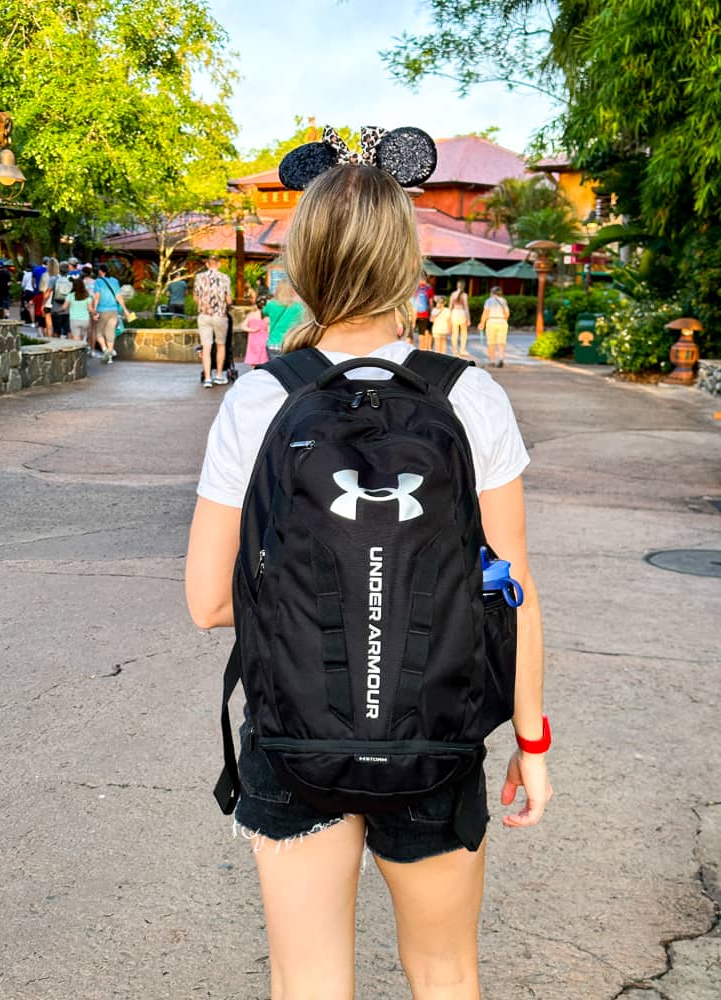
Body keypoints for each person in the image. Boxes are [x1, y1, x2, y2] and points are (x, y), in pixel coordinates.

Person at [186, 157, 551, 1000]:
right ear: (408, 262)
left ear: (302, 263)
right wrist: (530, 743)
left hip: (293, 736)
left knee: (309, 980)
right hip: (437, 733)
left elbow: (209, 603)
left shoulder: (258, 400)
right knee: (446, 972)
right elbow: (511, 590)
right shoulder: (471, 397)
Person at [193, 254, 232, 387]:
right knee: (221, 345)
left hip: (204, 316)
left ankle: (208, 378)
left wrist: (203, 306)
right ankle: (219, 375)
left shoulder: (199, 277)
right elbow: (228, 300)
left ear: (207, 264)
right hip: (220, 316)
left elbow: (196, 297)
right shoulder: (225, 278)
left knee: (206, 347)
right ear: (219, 264)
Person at [91, 263, 128, 364]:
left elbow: (97, 296)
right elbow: (119, 297)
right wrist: (125, 310)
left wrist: (94, 309)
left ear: (101, 271)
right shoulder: (115, 281)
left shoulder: (98, 281)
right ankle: (110, 357)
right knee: (110, 332)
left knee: (99, 333)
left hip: (102, 310)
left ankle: (105, 350)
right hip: (114, 311)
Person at [262, 279, 304, 359]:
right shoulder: (298, 307)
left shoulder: (271, 304)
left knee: (274, 370)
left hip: (273, 344)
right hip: (290, 344)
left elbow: (264, 312)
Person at [478, 285, 511, 368]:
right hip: (502, 321)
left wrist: (482, 323)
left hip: (491, 321)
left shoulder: (489, 301)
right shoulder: (503, 301)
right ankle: (501, 359)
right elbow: (507, 314)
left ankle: (492, 361)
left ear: (492, 293)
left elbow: (485, 313)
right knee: (501, 342)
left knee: (491, 343)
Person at [62, 277, 94, 343]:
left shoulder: (70, 295)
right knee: (82, 339)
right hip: (85, 320)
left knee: (76, 339)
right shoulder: (87, 296)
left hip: (74, 320)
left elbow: (64, 307)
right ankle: (83, 351)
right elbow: (90, 309)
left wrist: (57, 311)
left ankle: (79, 352)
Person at [241, 295, 270, 367]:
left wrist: (251, 330)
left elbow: (243, 326)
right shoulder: (267, 317)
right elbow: (269, 330)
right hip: (264, 342)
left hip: (253, 342)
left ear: (256, 305)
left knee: (254, 361)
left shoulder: (251, 315)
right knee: (264, 361)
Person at [449, 279, 471, 356]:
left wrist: (449, 316)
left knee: (454, 333)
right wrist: (468, 319)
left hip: (454, 313)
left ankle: (455, 351)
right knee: (463, 333)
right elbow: (466, 307)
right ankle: (462, 350)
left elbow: (450, 306)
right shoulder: (464, 295)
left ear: (457, 286)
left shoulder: (453, 294)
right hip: (462, 313)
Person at [51, 261, 73, 338]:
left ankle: (56, 347)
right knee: (69, 331)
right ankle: (71, 348)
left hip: (56, 308)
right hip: (68, 308)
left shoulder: (54, 279)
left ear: (59, 269)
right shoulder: (71, 280)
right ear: (68, 270)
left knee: (56, 330)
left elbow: (49, 291)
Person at [412, 276, 433, 348]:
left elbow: (413, 302)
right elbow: (431, 303)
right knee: (425, 332)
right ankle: (424, 349)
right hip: (425, 314)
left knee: (420, 333)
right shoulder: (429, 289)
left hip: (415, 314)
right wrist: (431, 313)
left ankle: (421, 348)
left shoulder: (415, 289)